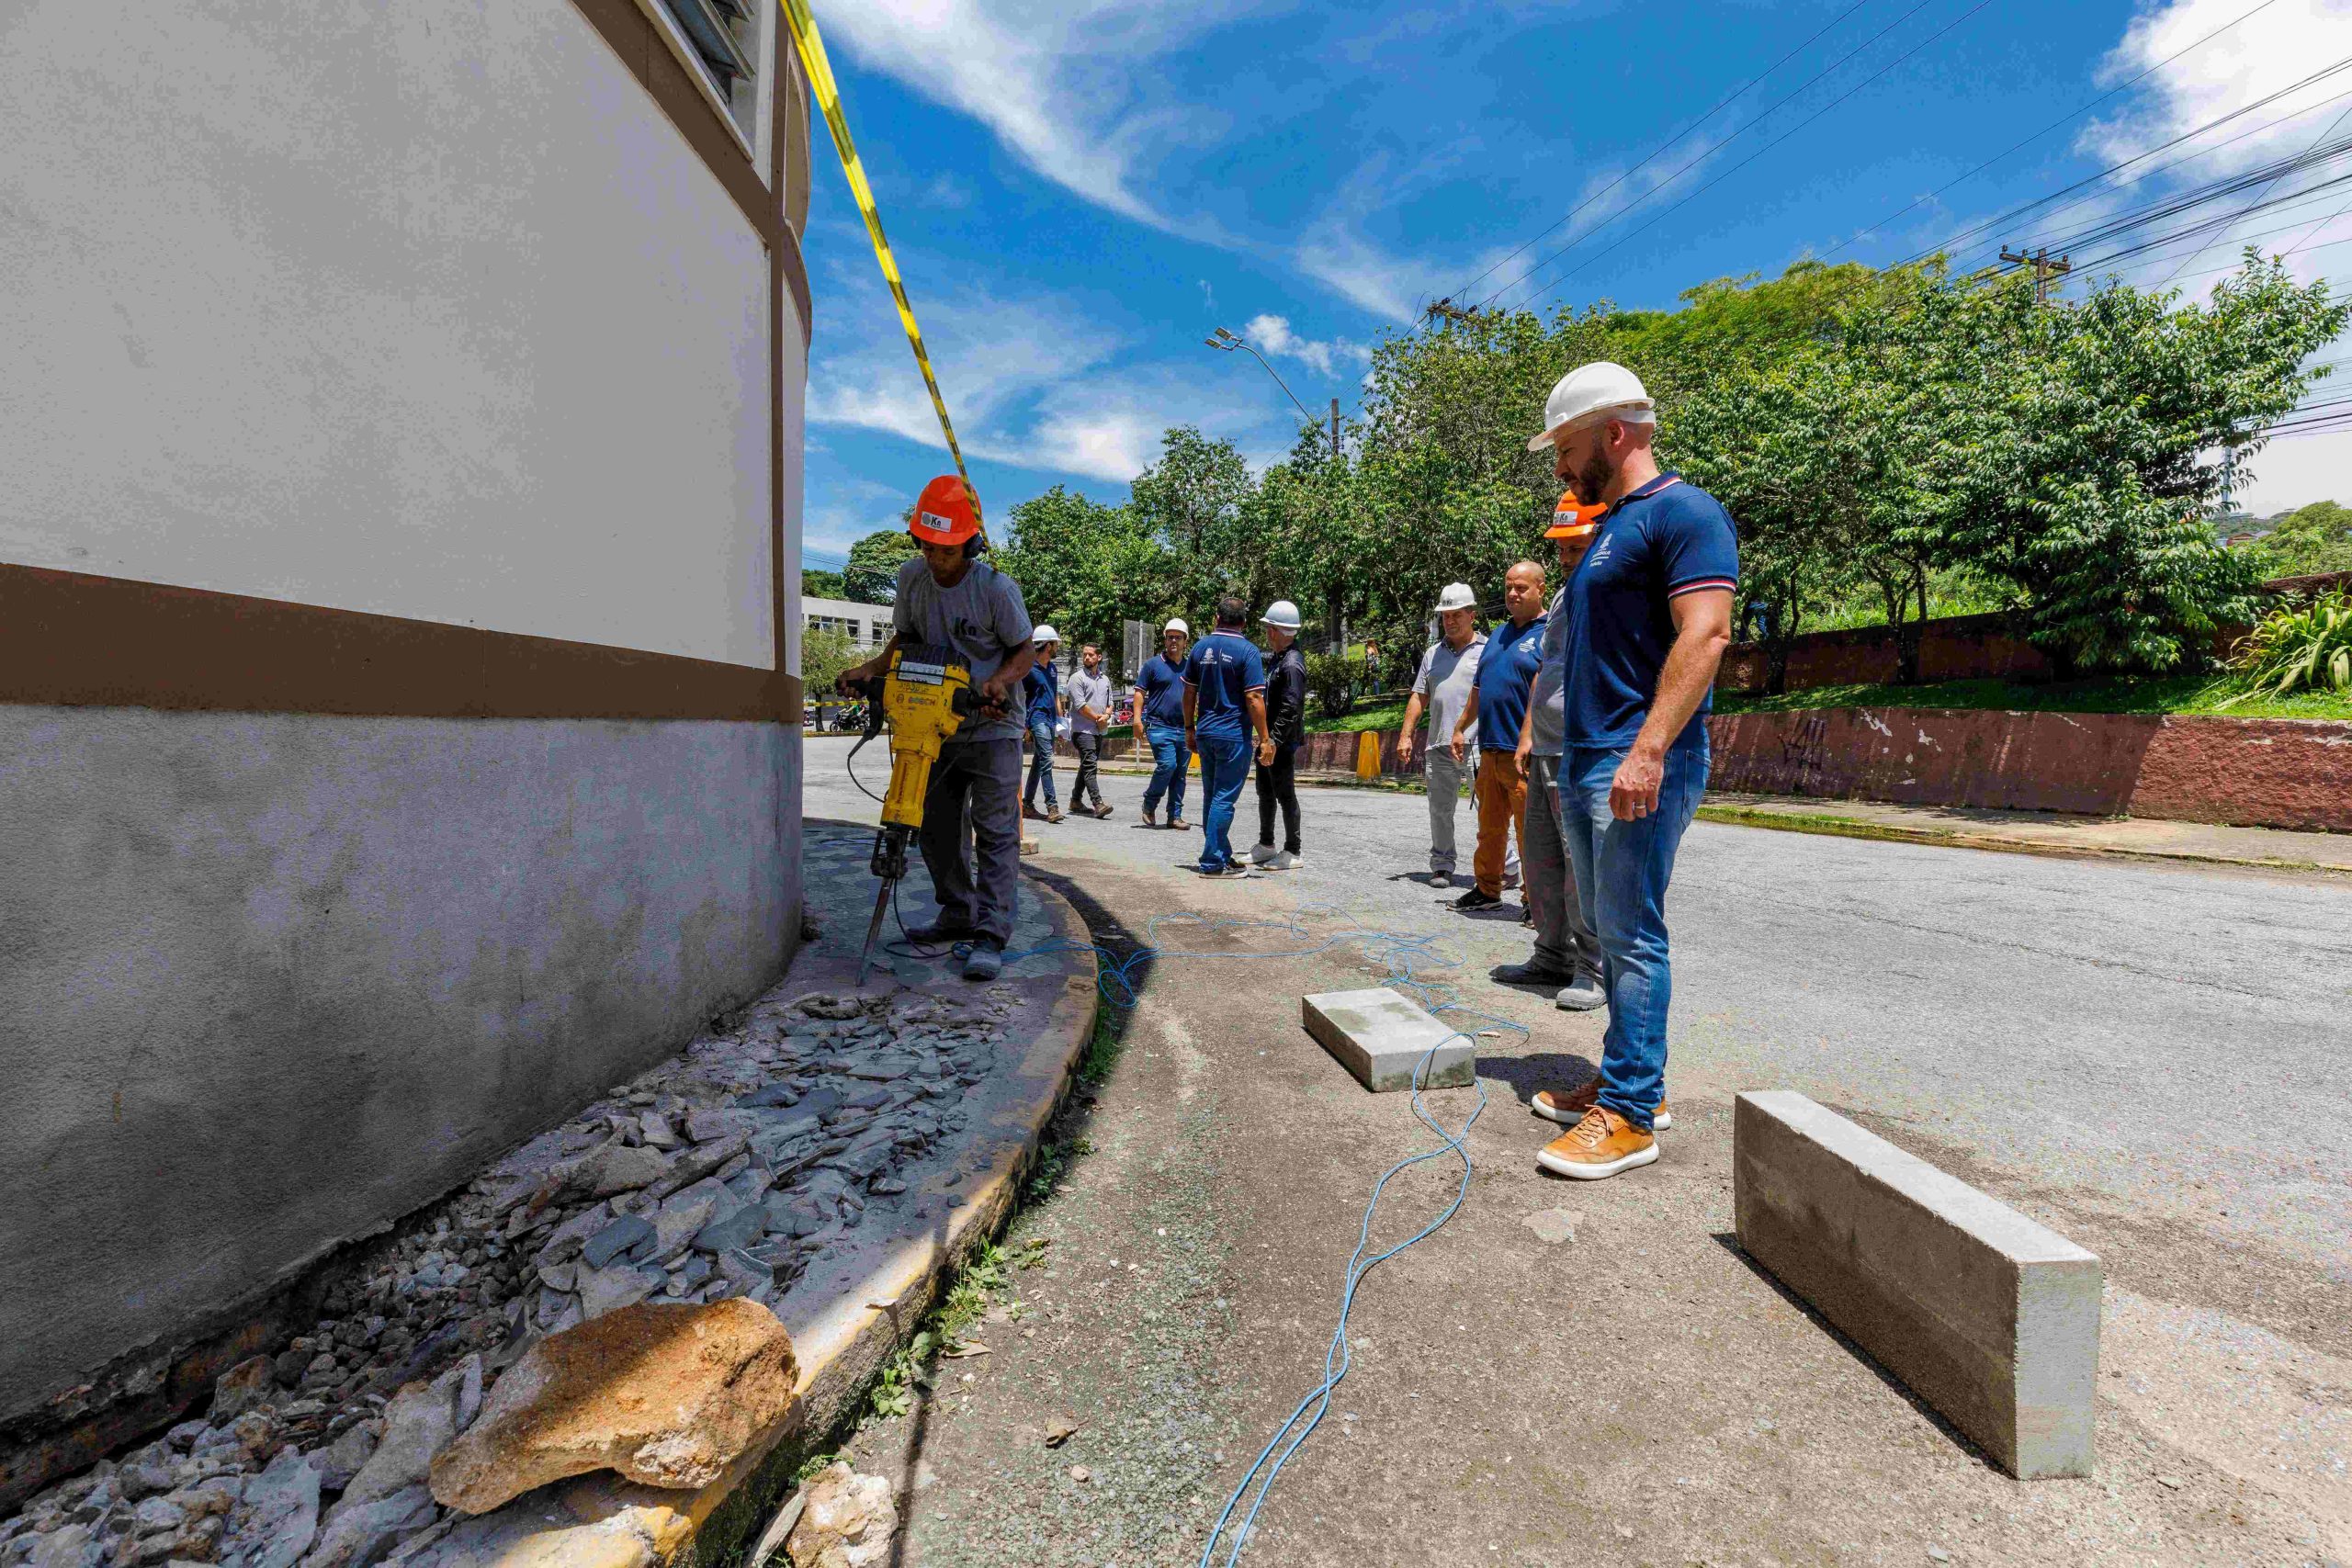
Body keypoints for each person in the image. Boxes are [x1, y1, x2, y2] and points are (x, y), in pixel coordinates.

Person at [1524, 362, 1737, 1180]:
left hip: (1639, 759)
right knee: (1610, 935)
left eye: (1568, 448)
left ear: (1613, 433)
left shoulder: (1684, 512)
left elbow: (1707, 634)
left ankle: (1631, 1115)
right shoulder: (1612, 524)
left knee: (1634, 933)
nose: (1561, 469)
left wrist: (1647, 750)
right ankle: (1626, 1080)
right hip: (1586, 760)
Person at [838, 474, 1037, 982]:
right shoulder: (911, 579)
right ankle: (956, 913)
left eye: (947, 550)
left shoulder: (995, 589)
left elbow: (1025, 651)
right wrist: (873, 669)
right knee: (936, 830)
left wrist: (997, 682)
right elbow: (904, 640)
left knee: (994, 834)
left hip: (993, 728)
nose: (936, 558)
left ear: (968, 545)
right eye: (928, 547)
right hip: (934, 728)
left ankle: (990, 934)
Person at [1497, 497, 1607, 1011]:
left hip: (1577, 749)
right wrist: (1527, 734)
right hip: (1544, 747)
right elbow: (1548, 668)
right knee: (1541, 861)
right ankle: (1550, 955)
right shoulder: (1568, 595)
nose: (1566, 556)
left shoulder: (1607, 591)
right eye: (1561, 547)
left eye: (1575, 546)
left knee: (1578, 864)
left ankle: (1593, 967)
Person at [1448, 561, 1546, 912]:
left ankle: (1536, 903)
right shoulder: (1499, 635)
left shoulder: (1549, 633)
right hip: (1489, 749)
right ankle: (1487, 889)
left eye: (1521, 587)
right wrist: (1460, 728)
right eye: (1508, 587)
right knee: (1488, 830)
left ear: (1540, 589)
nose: (1513, 593)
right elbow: (1479, 690)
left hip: (1525, 755)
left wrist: (1530, 738)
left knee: (1530, 835)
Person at [1395, 584, 1487, 887]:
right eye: (1445, 616)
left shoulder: (1487, 651)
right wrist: (1406, 735)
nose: (1449, 621)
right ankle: (1442, 865)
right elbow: (1418, 696)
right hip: (1439, 744)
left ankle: (1501, 865)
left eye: (1456, 614)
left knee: (1490, 808)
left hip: (1477, 745)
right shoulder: (1432, 655)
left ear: (1472, 615)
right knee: (1440, 811)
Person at [1182, 597, 1275, 877]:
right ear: (1244, 622)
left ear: (1216, 617)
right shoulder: (1248, 651)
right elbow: (1254, 697)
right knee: (1224, 798)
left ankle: (1221, 853)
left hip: (1207, 732)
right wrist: (1266, 739)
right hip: (1233, 735)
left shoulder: (1199, 648)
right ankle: (1211, 863)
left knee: (1212, 796)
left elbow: (1188, 693)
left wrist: (1189, 728)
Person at [1250, 599, 1308, 869]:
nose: (1266, 633)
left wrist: (1273, 740)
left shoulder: (1292, 664)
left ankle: (1293, 851)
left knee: (1285, 794)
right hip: (1269, 740)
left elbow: (1291, 707)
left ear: (1275, 631)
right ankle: (1266, 844)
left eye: (1268, 628)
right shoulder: (1279, 659)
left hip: (1280, 742)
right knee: (1265, 791)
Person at [1133, 620, 1193, 829]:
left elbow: (1198, 695)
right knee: (1168, 765)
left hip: (1184, 727)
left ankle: (1174, 816)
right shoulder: (1152, 665)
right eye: (1170, 637)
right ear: (1165, 640)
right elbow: (1139, 692)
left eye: (1178, 637)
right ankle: (1150, 804)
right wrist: (1137, 720)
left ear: (1186, 641)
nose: (1173, 641)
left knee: (1180, 773)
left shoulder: (1191, 667)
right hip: (1159, 726)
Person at [1066, 644, 1114, 818]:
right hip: (1082, 730)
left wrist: (1106, 715)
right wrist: (1097, 718)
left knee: (1086, 765)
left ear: (1099, 657)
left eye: (1090, 655)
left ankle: (1075, 800)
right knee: (1090, 765)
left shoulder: (1105, 680)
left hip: (1099, 730)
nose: (1086, 658)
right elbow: (1080, 706)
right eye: (1084, 655)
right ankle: (1098, 803)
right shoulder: (1076, 678)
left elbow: (1110, 703)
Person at [1021, 626, 1062, 823]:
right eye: (1055, 644)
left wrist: (1061, 720)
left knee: (1038, 762)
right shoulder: (1028, 669)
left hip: (1051, 720)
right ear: (1048, 645)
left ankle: (1027, 804)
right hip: (1036, 718)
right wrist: (1024, 725)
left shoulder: (1052, 669)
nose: (1057, 648)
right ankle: (1052, 807)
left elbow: (1054, 696)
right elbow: (1019, 697)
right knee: (1047, 760)